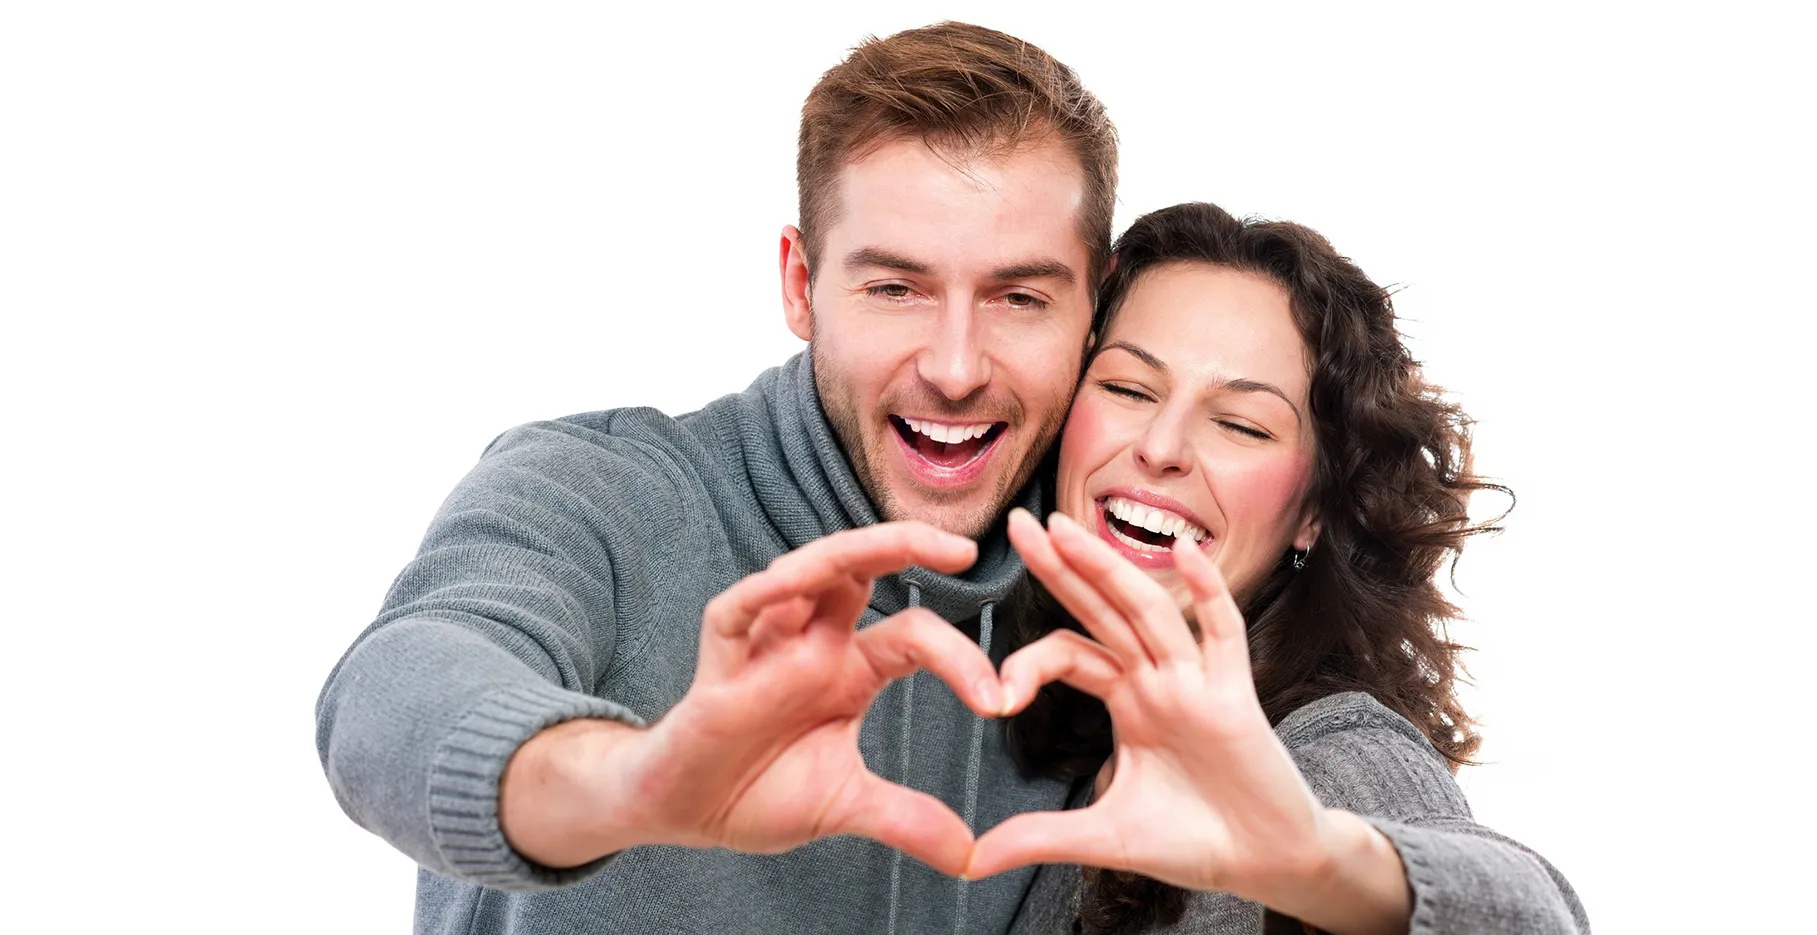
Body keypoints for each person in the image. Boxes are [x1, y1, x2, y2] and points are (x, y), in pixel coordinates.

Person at [315, 22, 1118, 935]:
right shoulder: (600, 490)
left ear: (1096, 305)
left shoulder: (1103, 580)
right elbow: (392, 692)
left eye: (1020, 297)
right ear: (799, 281)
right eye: (895, 288)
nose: (956, 365)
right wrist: (635, 780)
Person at [973, 203, 1590, 933]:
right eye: (1128, 389)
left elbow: (1532, 918)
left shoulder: (1326, 752)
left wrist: (1315, 858)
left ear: (1312, 512)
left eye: (1241, 424)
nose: (1162, 445)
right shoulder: (1050, 725)